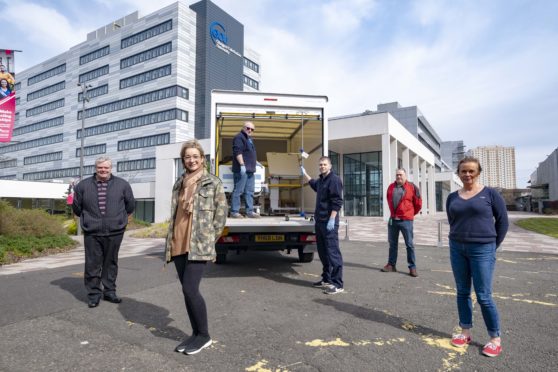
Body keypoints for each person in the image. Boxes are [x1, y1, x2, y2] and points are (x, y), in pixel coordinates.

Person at [165, 140, 227, 355]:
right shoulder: (179, 183)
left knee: (190, 288)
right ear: (184, 160)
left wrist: (208, 239)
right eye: (187, 157)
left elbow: (220, 216)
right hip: (179, 241)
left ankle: (204, 335)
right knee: (186, 291)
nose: (191, 160)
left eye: (195, 156)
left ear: (202, 159)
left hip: (198, 243)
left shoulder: (213, 182)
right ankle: (195, 333)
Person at [446, 156, 508, 358]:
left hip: (483, 248)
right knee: (462, 291)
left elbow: (502, 222)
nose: (467, 174)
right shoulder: (452, 197)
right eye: (463, 171)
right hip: (457, 248)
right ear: (458, 173)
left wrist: (492, 246)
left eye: (471, 171)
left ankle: (494, 338)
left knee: (483, 296)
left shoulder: (490, 194)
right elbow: (452, 220)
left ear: (478, 172)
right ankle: (465, 332)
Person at [72, 156, 135, 308]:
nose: (103, 170)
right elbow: (77, 208)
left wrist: (118, 220)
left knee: (111, 263)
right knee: (93, 264)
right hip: (92, 232)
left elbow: (130, 205)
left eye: (106, 167)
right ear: (95, 168)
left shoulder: (122, 184)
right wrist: (89, 219)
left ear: (110, 168)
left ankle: (109, 292)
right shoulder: (83, 186)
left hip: (115, 231)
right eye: (100, 167)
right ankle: (94, 294)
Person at [301, 157, 344, 294]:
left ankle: (338, 284)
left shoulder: (334, 180)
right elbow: (313, 184)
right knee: (323, 252)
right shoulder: (321, 181)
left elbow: (337, 201)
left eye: (325, 164)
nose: (322, 166)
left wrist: (332, 219)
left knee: (332, 252)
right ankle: (327, 279)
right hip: (319, 222)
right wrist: (305, 174)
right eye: (320, 164)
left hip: (329, 222)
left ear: (330, 166)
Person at [381, 168, 422, 277]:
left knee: (409, 244)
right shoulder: (391, 187)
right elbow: (388, 199)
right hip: (393, 220)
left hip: (406, 220)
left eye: (401, 175)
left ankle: (412, 267)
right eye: (397, 175)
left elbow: (418, 204)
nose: (399, 177)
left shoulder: (412, 187)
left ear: (405, 176)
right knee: (392, 244)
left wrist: (409, 214)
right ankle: (391, 265)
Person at [230, 121, 259, 218]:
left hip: (250, 170)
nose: (250, 130)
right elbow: (238, 152)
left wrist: (256, 162)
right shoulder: (239, 137)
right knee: (238, 191)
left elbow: (249, 153)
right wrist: (242, 165)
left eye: (252, 129)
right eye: (248, 128)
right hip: (242, 170)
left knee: (250, 192)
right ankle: (234, 212)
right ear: (243, 128)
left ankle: (250, 212)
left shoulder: (249, 139)